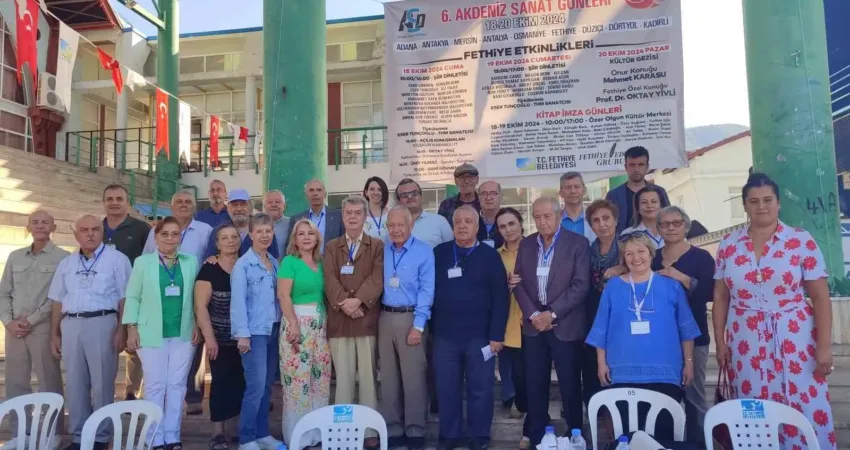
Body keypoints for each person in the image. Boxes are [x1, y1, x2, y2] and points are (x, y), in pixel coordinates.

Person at [713, 173, 836, 450]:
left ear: (778, 203)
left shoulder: (801, 241)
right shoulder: (729, 245)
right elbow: (720, 296)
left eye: (768, 200)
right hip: (745, 343)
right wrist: (720, 342)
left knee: (803, 402)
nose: (761, 206)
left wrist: (824, 348)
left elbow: (820, 296)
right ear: (745, 205)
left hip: (796, 340)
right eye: (753, 201)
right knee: (754, 406)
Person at [586, 232, 700, 442]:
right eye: (629, 253)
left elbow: (686, 329)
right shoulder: (612, 287)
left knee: (663, 436)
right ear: (623, 258)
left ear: (650, 253)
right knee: (628, 438)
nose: (635, 257)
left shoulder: (671, 285)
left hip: (665, 374)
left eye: (641, 251)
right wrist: (601, 363)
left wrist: (689, 363)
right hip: (622, 373)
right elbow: (601, 327)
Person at [48, 215, 132, 450]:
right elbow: (57, 300)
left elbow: (126, 297)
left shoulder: (117, 259)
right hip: (72, 324)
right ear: (76, 234)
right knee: (75, 383)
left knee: (103, 383)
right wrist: (54, 334)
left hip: (103, 323)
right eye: (83, 230)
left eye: (95, 229)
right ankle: (78, 437)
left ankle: (101, 437)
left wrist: (121, 329)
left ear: (102, 232)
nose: (90, 234)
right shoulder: (67, 263)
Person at [513, 197, 590, 446]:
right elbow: (517, 283)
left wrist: (552, 314)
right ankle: (537, 434)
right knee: (535, 384)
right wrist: (535, 315)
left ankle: (575, 433)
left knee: (569, 384)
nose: (542, 221)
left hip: (564, 325)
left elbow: (580, 286)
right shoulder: (525, 245)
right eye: (537, 217)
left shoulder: (578, 243)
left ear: (559, 217)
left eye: (547, 216)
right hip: (534, 326)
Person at [432, 206, 508, 450]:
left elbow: (501, 298)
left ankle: (479, 436)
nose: (462, 225)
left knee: (481, 388)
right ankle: (450, 435)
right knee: (447, 388)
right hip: (444, 336)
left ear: (477, 227)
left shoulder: (490, 256)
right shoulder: (439, 253)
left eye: (468, 221)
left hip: (480, 336)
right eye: (458, 221)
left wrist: (497, 335)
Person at [124, 217, 201, 450]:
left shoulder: (190, 261)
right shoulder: (142, 262)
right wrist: (131, 327)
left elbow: (197, 297)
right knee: (155, 385)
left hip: (183, 332)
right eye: (164, 234)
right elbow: (133, 296)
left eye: (175, 234)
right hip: (149, 333)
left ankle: (172, 436)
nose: (170, 238)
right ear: (156, 237)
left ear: (180, 237)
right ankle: (154, 436)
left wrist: (197, 323)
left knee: (177, 385)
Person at [0, 211, 68, 449]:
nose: (40, 226)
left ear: (54, 227)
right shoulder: (15, 256)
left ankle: (53, 432)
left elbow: (58, 297)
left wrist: (33, 319)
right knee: (16, 382)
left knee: (49, 380)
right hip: (14, 330)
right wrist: (8, 321)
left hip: (42, 329)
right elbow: (3, 292)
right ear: (28, 227)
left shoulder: (63, 258)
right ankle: (22, 433)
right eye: (35, 222)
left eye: (45, 222)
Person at [323, 196, 384, 450]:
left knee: (368, 379)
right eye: (348, 212)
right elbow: (329, 279)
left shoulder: (377, 246)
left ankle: (369, 430)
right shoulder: (331, 246)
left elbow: (377, 279)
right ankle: (343, 429)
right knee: (344, 380)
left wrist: (357, 301)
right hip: (339, 321)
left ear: (365, 217)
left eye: (357, 213)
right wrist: (345, 304)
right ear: (343, 216)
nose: (352, 216)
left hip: (366, 319)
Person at [653, 206, 715, 448]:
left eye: (676, 223)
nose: (670, 228)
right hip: (660, 339)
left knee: (695, 396)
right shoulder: (652, 257)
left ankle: (698, 443)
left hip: (695, 335)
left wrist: (681, 277)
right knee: (663, 396)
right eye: (665, 224)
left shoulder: (701, 258)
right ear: (658, 228)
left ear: (685, 226)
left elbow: (710, 293)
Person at [379, 206, 434, 450]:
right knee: (389, 378)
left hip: (411, 317)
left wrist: (418, 326)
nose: (396, 230)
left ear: (411, 226)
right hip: (385, 316)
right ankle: (393, 427)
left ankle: (415, 430)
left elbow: (426, 290)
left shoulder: (423, 252)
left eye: (401, 225)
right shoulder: (382, 250)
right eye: (391, 225)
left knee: (413, 379)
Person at [231, 214, 284, 450]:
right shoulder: (243, 265)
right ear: (251, 234)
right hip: (253, 333)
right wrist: (242, 334)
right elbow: (238, 302)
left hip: (273, 329)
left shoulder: (274, 262)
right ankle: (247, 438)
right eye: (259, 231)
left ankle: (262, 433)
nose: (265, 235)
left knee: (266, 386)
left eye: (268, 231)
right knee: (255, 386)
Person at [278, 219, 331, 448]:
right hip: (297, 325)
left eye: (311, 233)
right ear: (295, 239)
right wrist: (294, 324)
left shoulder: (321, 263)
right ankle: (298, 436)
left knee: (320, 380)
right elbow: (283, 295)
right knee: (297, 384)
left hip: (321, 327)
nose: (307, 237)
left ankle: (317, 434)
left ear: (317, 237)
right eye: (301, 234)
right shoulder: (290, 262)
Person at [195, 224, 245, 450]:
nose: (230, 241)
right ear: (217, 243)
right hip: (220, 340)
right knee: (220, 384)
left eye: (234, 237)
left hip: (244, 339)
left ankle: (234, 430)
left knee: (240, 383)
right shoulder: (209, 269)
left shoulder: (246, 264)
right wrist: (210, 338)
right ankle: (217, 433)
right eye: (224, 238)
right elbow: (201, 307)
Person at [102, 184, 151, 401]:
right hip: (104, 297)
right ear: (103, 202)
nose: (114, 203)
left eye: (119, 199)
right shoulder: (96, 228)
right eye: (110, 199)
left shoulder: (141, 228)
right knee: (106, 344)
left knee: (134, 345)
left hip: (134, 294)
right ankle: (104, 390)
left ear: (127, 203)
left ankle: (132, 389)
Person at [582, 201, 622, 413]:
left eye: (606, 218)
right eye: (596, 220)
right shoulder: (588, 249)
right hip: (592, 315)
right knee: (592, 368)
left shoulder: (628, 246)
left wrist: (622, 267)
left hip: (620, 318)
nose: (602, 224)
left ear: (615, 220)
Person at [495, 207, 530, 448]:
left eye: (511, 224)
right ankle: (519, 401)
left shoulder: (536, 248)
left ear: (521, 223)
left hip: (533, 321)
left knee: (533, 371)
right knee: (515, 370)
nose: (508, 230)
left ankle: (532, 414)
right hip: (508, 321)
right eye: (502, 226)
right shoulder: (495, 256)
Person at [605, 146, 671, 232]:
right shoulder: (613, 195)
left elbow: (668, 219)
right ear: (625, 167)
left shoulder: (659, 192)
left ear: (647, 167)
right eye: (632, 165)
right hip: (622, 243)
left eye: (641, 165)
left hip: (656, 243)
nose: (636, 169)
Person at [204, 189, 280, 260]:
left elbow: (274, 258)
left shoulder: (265, 228)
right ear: (228, 208)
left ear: (250, 207)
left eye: (243, 204)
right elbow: (209, 258)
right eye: (235, 205)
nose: (239, 209)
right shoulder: (218, 230)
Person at [143, 191, 213, 266]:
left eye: (188, 202)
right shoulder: (156, 230)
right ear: (171, 206)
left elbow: (214, 257)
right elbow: (145, 259)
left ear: (194, 207)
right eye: (179, 201)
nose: (183, 205)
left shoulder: (206, 231)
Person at [395, 178, 453, 248]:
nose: (410, 197)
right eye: (404, 195)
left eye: (414, 193)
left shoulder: (440, 221)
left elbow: (452, 250)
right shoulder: (393, 226)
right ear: (398, 202)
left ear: (421, 197)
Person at [289, 179, 343, 254]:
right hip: (305, 264)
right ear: (306, 195)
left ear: (325, 194)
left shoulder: (338, 216)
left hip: (331, 263)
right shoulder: (296, 219)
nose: (315, 193)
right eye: (311, 190)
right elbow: (292, 247)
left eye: (319, 190)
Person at [621, 185, 669, 249]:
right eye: (644, 202)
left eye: (654, 201)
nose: (649, 206)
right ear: (637, 208)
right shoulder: (628, 234)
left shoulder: (672, 231)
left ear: (662, 206)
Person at [559, 172, 596, 243]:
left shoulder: (594, 217)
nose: (573, 191)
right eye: (568, 187)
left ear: (584, 190)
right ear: (561, 193)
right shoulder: (554, 220)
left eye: (577, 187)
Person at [477, 181, 505, 249]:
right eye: (484, 193)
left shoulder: (509, 221)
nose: (488, 198)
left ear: (501, 197)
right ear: (479, 197)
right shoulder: (472, 221)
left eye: (494, 193)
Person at [264, 190, 290, 259]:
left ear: (284, 206)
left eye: (277, 202)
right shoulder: (256, 224)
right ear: (264, 206)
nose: (273, 205)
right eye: (270, 202)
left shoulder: (292, 224)